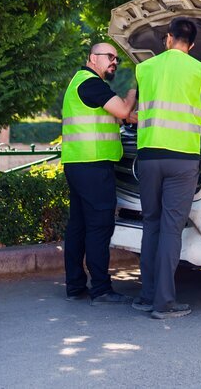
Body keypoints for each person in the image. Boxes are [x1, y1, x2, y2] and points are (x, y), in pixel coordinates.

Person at [132, 17, 201, 319]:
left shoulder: (145, 69)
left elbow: (135, 110)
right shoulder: (198, 71)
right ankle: (164, 303)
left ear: (169, 38)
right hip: (182, 160)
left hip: (148, 157)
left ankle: (146, 297)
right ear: (192, 45)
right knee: (172, 230)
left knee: (151, 224)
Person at [61, 42, 137, 305]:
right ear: (93, 58)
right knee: (99, 226)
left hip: (78, 162)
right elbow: (124, 111)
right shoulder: (91, 84)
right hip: (93, 164)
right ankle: (101, 289)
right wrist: (133, 90)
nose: (115, 62)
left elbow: (119, 117)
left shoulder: (81, 83)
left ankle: (75, 286)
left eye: (117, 58)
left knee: (79, 226)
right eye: (110, 57)